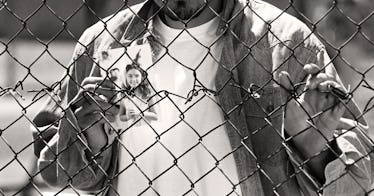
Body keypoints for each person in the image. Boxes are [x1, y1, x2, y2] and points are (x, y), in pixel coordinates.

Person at [31, 0, 374, 195]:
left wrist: (314, 149)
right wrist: (90, 140)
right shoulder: (104, 41)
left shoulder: (287, 42)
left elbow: (357, 180)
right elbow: (65, 175)